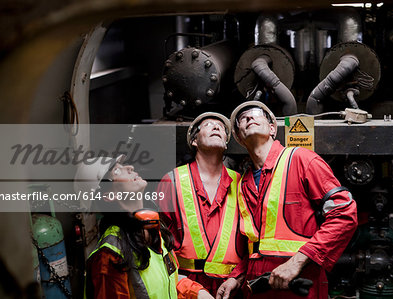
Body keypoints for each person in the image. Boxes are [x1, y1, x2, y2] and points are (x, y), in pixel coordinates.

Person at [220, 101, 358, 299]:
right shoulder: (244, 183)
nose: (249, 117)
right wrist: (236, 277)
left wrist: (297, 262)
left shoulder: (301, 159)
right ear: (239, 137)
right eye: (243, 118)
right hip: (257, 288)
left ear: (273, 128)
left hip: (300, 285)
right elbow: (255, 246)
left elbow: (344, 214)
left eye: (257, 114)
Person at [74, 154, 209, 299]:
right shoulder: (109, 256)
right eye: (116, 171)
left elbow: (169, 282)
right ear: (109, 195)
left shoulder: (154, 231)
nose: (130, 167)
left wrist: (197, 293)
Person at [157, 112, 247, 298]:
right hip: (186, 287)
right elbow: (160, 244)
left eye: (221, 128)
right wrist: (187, 287)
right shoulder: (172, 181)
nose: (216, 127)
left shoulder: (240, 183)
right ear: (194, 141)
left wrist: (236, 278)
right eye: (208, 125)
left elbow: (252, 241)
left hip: (231, 287)